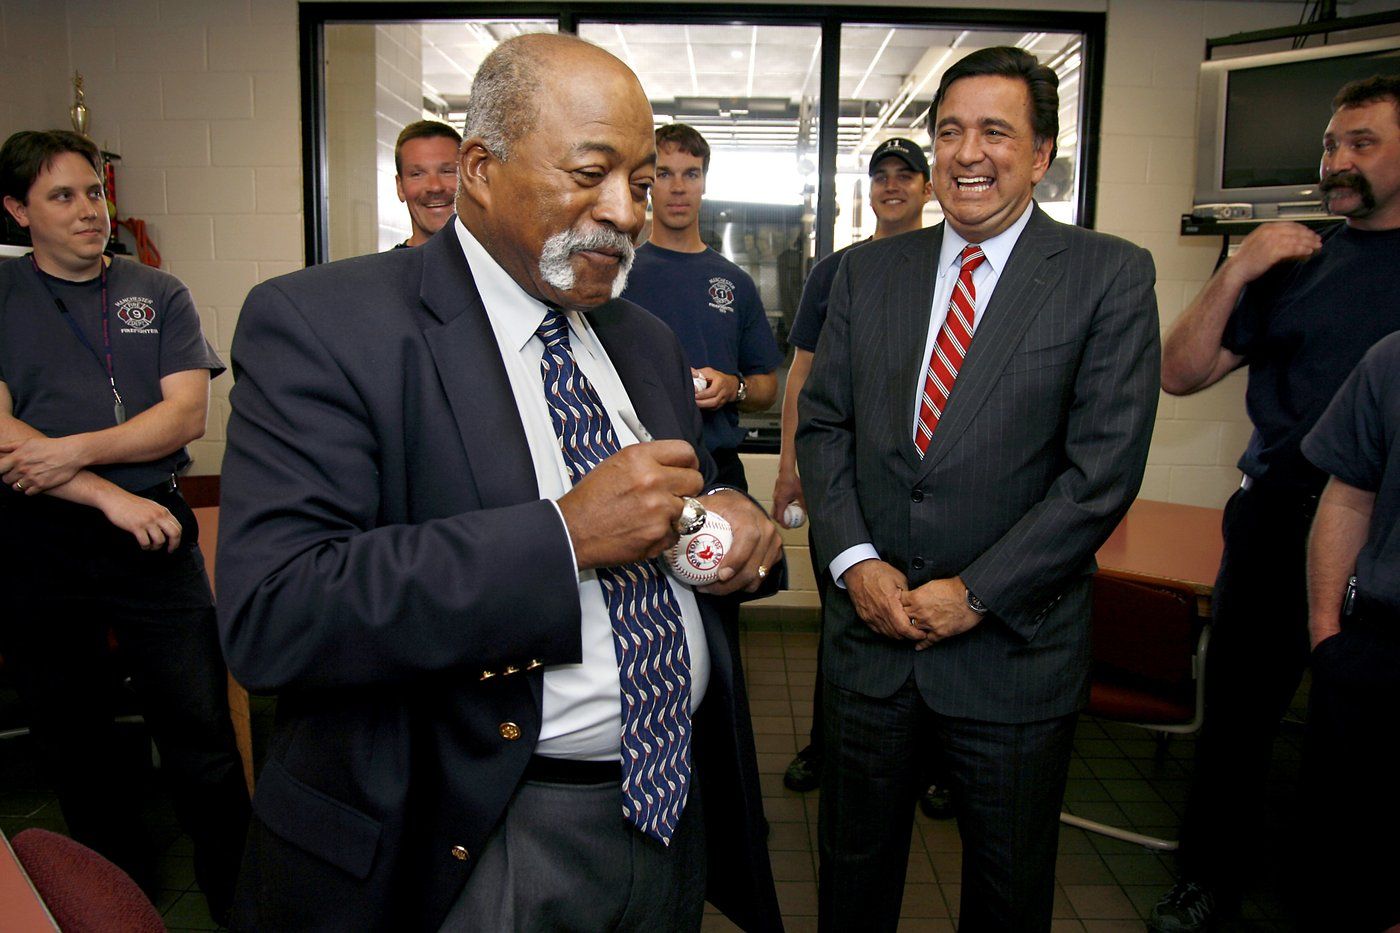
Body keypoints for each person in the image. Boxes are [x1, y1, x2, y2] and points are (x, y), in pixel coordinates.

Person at [215, 34, 785, 931]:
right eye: (590, 173)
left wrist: (737, 519)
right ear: (480, 169)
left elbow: (689, 497)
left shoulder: (642, 342)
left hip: (671, 808)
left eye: (638, 182)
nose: (628, 213)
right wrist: (562, 536)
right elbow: (275, 611)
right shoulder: (327, 325)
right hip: (482, 831)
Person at [797, 46, 1159, 931]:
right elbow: (824, 427)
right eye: (951, 130)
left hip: (1011, 656)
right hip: (870, 647)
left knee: (1006, 891)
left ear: (1041, 155)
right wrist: (855, 563)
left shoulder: (1107, 275)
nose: (968, 153)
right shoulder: (865, 273)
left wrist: (976, 593)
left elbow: (1099, 474)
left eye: (996, 131)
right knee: (851, 878)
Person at [1150, 74, 1400, 933]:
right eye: (1331, 144)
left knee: (1361, 736)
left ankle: (1334, 894)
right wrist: (1239, 267)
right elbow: (1178, 371)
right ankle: (1206, 880)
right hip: (1279, 517)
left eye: (1361, 143)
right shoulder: (1299, 259)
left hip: (1392, 534)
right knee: (1240, 718)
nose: (1337, 160)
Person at [0, 129, 248, 920]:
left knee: (201, 730)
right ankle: (117, 903)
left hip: (156, 536)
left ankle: (236, 894)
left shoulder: (156, 291)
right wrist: (109, 497)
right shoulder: (2, 298)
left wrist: (69, 453)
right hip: (43, 540)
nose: (87, 212)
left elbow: (181, 415)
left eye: (94, 193)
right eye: (61, 197)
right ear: (17, 211)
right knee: (77, 741)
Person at [776, 138, 945, 816]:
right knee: (847, 620)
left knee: (934, 625)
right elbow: (802, 377)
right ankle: (830, 744)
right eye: (882, 176)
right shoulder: (837, 272)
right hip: (850, 485)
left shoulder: (956, 269)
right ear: (868, 189)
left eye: (907, 175)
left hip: (930, 494)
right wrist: (791, 467)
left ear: (927, 187)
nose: (893, 185)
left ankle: (936, 762)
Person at [1299, 331, 1400, 932]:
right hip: (1377, 652)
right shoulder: (1391, 359)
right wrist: (1326, 635)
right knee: (1348, 879)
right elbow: (1350, 498)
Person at [620, 123, 781, 490]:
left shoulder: (735, 283)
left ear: (704, 182)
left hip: (719, 468)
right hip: (639, 468)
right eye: (664, 174)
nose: (678, 188)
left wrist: (733, 387)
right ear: (648, 183)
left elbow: (767, 386)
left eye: (691, 174)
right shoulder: (617, 275)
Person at [392, 119, 461, 249]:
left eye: (447, 171)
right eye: (417, 174)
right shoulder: (383, 269)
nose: (435, 187)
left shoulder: (501, 267)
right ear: (400, 187)